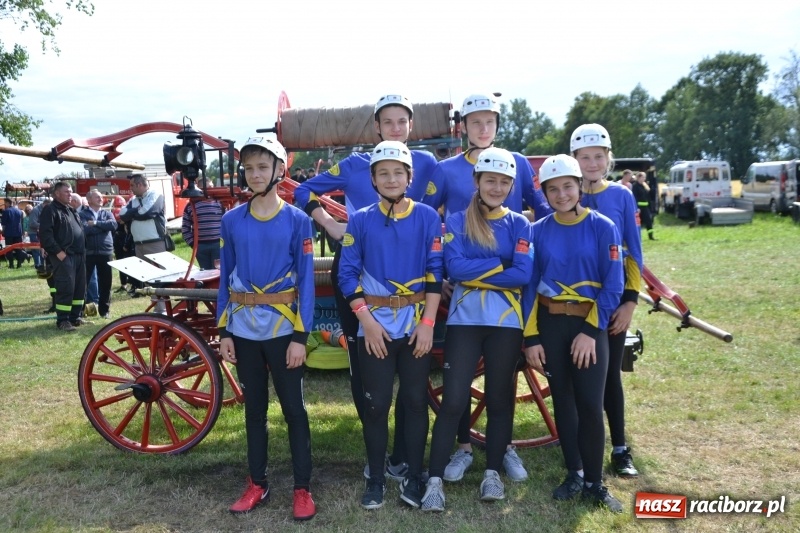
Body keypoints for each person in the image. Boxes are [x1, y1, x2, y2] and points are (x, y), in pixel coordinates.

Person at [294, 94, 438, 481]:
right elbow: (303, 191)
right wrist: (329, 223)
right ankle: (376, 448)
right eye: (387, 121)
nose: (395, 128)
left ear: (411, 126)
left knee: (411, 367)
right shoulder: (354, 164)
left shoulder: (426, 163)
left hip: (409, 273)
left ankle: (404, 453)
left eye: (401, 121)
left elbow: (442, 207)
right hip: (357, 266)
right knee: (362, 359)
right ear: (376, 126)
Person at [409, 93, 551, 483]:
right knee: (458, 388)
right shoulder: (446, 169)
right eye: (476, 122)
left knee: (501, 385)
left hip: (505, 298)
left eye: (490, 122)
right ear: (464, 127)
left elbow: (541, 209)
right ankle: (464, 447)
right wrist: (441, 270)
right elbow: (426, 218)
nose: (483, 128)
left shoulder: (517, 163)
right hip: (462, 291)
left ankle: (503, 448)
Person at [421, 148, 533, 511]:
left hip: (506, 325)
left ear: (512, 186)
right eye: (490, 181)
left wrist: (477, 271)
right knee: (454, 401)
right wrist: (501, 264)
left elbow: (524, 273)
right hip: (464, 322)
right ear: (477, 181)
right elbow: (454, 268)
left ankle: (492, 473)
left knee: (499, 400)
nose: (497, 188)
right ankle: (434, 481)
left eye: (504, 182)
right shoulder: (456, 220)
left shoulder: (521, 224)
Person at [338, 141, 443, 510]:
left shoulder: (427, 217)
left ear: (409, 177)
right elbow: (346, 275)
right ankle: (376, 478)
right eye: (383, 173)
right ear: (373, 179)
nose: (391, 178)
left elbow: (435, 273)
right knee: (377, 404)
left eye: (399, 172)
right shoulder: (360, 219)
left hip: (415, 326)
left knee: (414, 401)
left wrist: (428, 324)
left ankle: (413, 475)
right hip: (375, 328)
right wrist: (366, 322)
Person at [216, 136, 316, 521]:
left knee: (294, 411)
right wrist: (224, 331)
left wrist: (300, 338)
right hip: (243, 331)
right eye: (249, 168)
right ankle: (257, 483)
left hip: (283, 331)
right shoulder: (231, 220)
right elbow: (225, 277)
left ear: (279, 170)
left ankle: (302, 488)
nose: (255, 174)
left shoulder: (298, 220)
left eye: (262, 167)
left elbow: (306, 282)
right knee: (254, 411)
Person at [523, 154, 624, 513]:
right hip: (551, 324)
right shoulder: (537, 230)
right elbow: (529, 286)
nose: (562, 194)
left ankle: (595, 483)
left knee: (590, 405)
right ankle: (575, 474)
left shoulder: (603, 227)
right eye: (553, 189)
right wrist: (531, 337)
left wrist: (590, 331)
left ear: (580, 187)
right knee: (563, 403)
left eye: (568, 186)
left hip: (588, 326)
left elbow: (613, 285)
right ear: (545, 194)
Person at [571, 124, 643, 479]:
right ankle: (578, 447)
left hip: (611, 300)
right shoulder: (565, 192)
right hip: (571, 299)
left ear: (609, 158)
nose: (592, 163)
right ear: (574, 160)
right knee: (574, 377)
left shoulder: (621, 195)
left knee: (609, 376)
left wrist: (630, 301)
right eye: (585, 157)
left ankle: (619, 448)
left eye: (598, 156)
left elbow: (634, 250)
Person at [38, 182, 87, 332]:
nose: (70, 194)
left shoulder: (70, 210)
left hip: (78, 255)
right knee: (66, 287)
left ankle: (75, 317)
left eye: (71, 191)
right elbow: (45, 235)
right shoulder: (50, 210)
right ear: (57, 194)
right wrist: (58, 252)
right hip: (64, 256)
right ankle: (63, 320)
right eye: (67, 192)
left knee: (79, 288)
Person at [118, 174, 167, 310]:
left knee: (160, 277)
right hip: (139, 245)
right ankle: (157, 307)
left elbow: (148, 212)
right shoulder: (133, 200)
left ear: (140, 185)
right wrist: (136, 211)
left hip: (154, 243)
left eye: (132, 185)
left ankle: (163, 308)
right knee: (148, 278)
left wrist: (132, 214)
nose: (130, 188)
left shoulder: (156, 195)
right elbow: (122, 214)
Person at [80, 189, 117, 319]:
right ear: (89, 200)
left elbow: (113, 225)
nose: (101, 199)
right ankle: (81, 310)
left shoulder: (107, 213)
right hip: (89, 252)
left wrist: (96, 223)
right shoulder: (82, 214)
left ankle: (104, 311)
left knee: (106, 283)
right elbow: (84, 229)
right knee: (84, 283)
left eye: (101, 197)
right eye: (97, 197)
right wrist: (103, 228)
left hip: (105, 252)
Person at [181, 196, 223, 270]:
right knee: (205, 272)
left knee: (218, 271)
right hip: (200, 246)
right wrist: (193, 244)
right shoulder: (191, 205)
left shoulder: (221, 203)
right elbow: (185, 228)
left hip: (218, 244)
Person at [1, 198, 26, 268]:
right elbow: (22, 222)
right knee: (18, 249)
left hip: (9, 233)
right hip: (18, 232)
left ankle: (11, 264)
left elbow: (4, 224)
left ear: (7, 203)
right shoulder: (20, 211)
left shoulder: (6, 211)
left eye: (5, 203)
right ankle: (19, 263)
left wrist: (3, 231)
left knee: (9, 249)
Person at [28, 197, 51, 269]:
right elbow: (32, 223)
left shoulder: (45, 210)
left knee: (43, 250)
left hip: (42, 233)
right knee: (36, 250)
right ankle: (38, 266)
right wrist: (44, 225)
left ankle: (43, 265)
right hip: (34, 233)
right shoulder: (35, 210)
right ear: (46, 204)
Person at [632, 172, 655, 240]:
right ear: (638, 177)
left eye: (644, 177)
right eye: (642, 177)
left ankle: (651, 236)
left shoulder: (645, 186)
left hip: (646, 207)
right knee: (637, 223)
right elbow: (634, 197)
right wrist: (637, 207)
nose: (644, 179)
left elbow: (648, 197)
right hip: (639, 208)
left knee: (649, 221)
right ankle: (636, 237)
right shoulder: (635, 186)